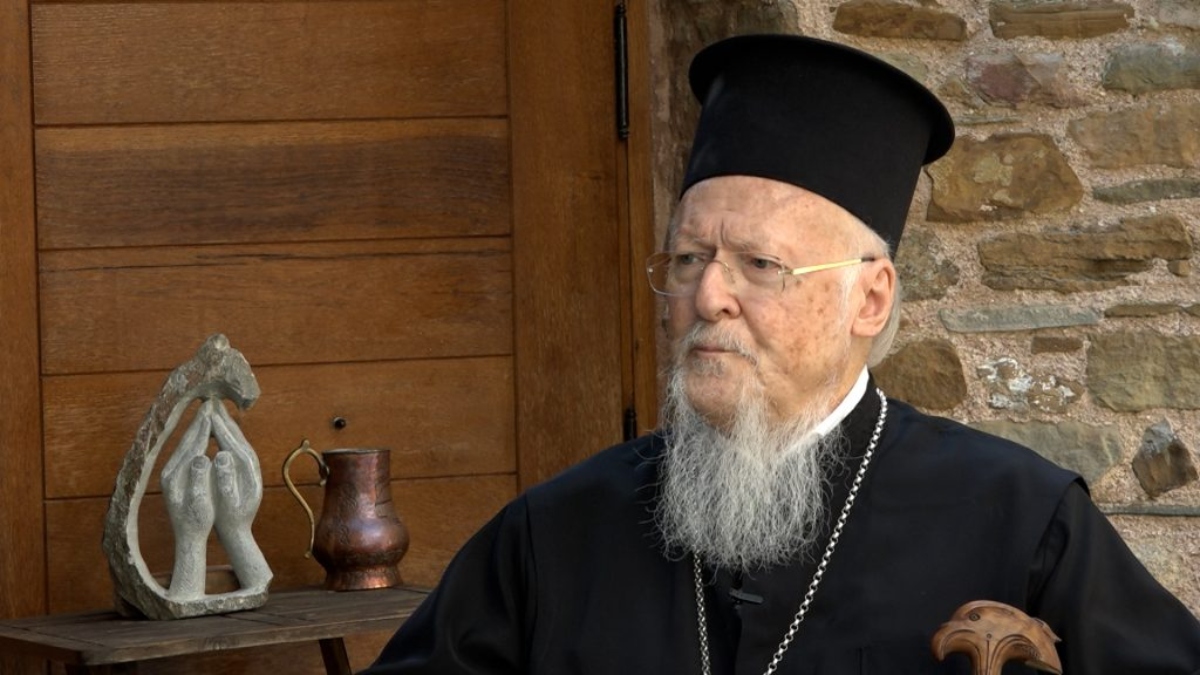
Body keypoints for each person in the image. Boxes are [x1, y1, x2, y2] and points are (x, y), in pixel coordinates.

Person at [361, 34, 1200, 674]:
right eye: (689, 259)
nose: (707, 296)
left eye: (759, 264)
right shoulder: (554, 534)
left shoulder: (1023, 521)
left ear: (869, 299)